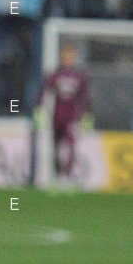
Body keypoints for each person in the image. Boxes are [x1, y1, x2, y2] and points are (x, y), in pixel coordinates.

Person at [38, 43, 93, 186]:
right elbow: (44, 91)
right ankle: (57, 177)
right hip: (57, 116)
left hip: (72, 117)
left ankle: (68, 177)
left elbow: (85, 96)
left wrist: (88, 114)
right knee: (56, 148)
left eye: (70, 56)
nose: (68, 59)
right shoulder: (55, 75)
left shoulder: (79, 76)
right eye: (65, 56)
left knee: (70, 147)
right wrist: (40, 109)